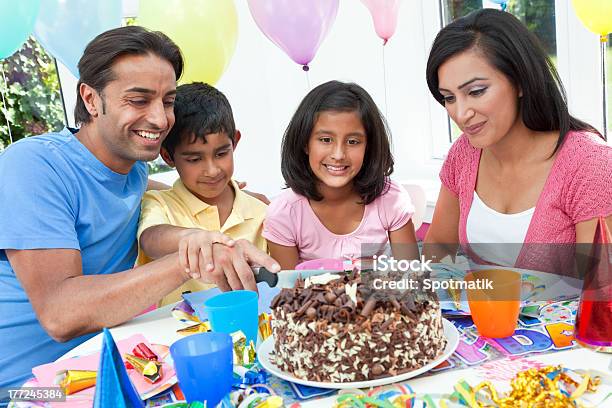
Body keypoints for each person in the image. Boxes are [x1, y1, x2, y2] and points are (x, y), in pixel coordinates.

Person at [0, 26, 278, 392]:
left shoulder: (133, 171)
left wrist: (225, 192)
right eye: (138, 100)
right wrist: (189, 257)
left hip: (117, 375)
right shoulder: (33, 166)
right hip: (27, 390)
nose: (161, 120)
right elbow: (60, 313)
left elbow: (137, 190)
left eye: (167, 101)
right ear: (91, 99)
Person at [423, 9, 612, 272]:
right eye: (449, 97)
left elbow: (600, 291)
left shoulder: (590, 164)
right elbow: (439, 250)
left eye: (476, 91)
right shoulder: (464, 153)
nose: (461, 114)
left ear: (520, 81)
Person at [263, 80, 419, 269]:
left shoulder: (390, 199)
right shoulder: (284, 214)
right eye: (326, 140)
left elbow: (414, 281)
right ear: (305, 143)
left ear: (368, 147)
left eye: (353, 141)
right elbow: (288, 291)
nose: (338, 155)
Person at [137, 82, 268, 305]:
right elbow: (150, 238)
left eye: (221, 153)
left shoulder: (261, 211)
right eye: (194, 159)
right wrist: (193, 239)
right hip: (181, 336)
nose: (212, 170)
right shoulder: (159, 202)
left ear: (234, 142)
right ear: (168, 157)